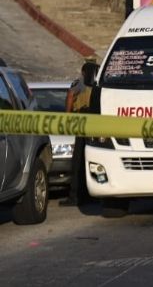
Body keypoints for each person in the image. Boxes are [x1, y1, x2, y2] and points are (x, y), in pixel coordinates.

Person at [61, 60, 98, 206]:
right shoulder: (99, 82)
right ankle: (91, 195)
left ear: (83, 72)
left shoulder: (81, 81)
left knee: (78, 161)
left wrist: (67, 116)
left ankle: (75, 196)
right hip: (96, 123)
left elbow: (70, 95)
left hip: (82, 121)